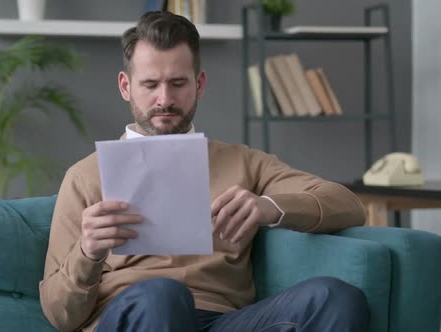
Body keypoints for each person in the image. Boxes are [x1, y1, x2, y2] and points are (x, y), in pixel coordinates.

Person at [39, 11, 369, 332]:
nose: (164, 99)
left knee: (336, 297)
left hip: (224, 320)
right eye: (150, 84)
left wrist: (268, 206)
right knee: (162, 295)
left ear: (199, 84)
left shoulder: (243, 162)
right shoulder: (85, 176)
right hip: (138, 313)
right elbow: (59, 315)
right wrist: (87, 252)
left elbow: (348, 204)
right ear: (126, 86)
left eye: (178, 83)